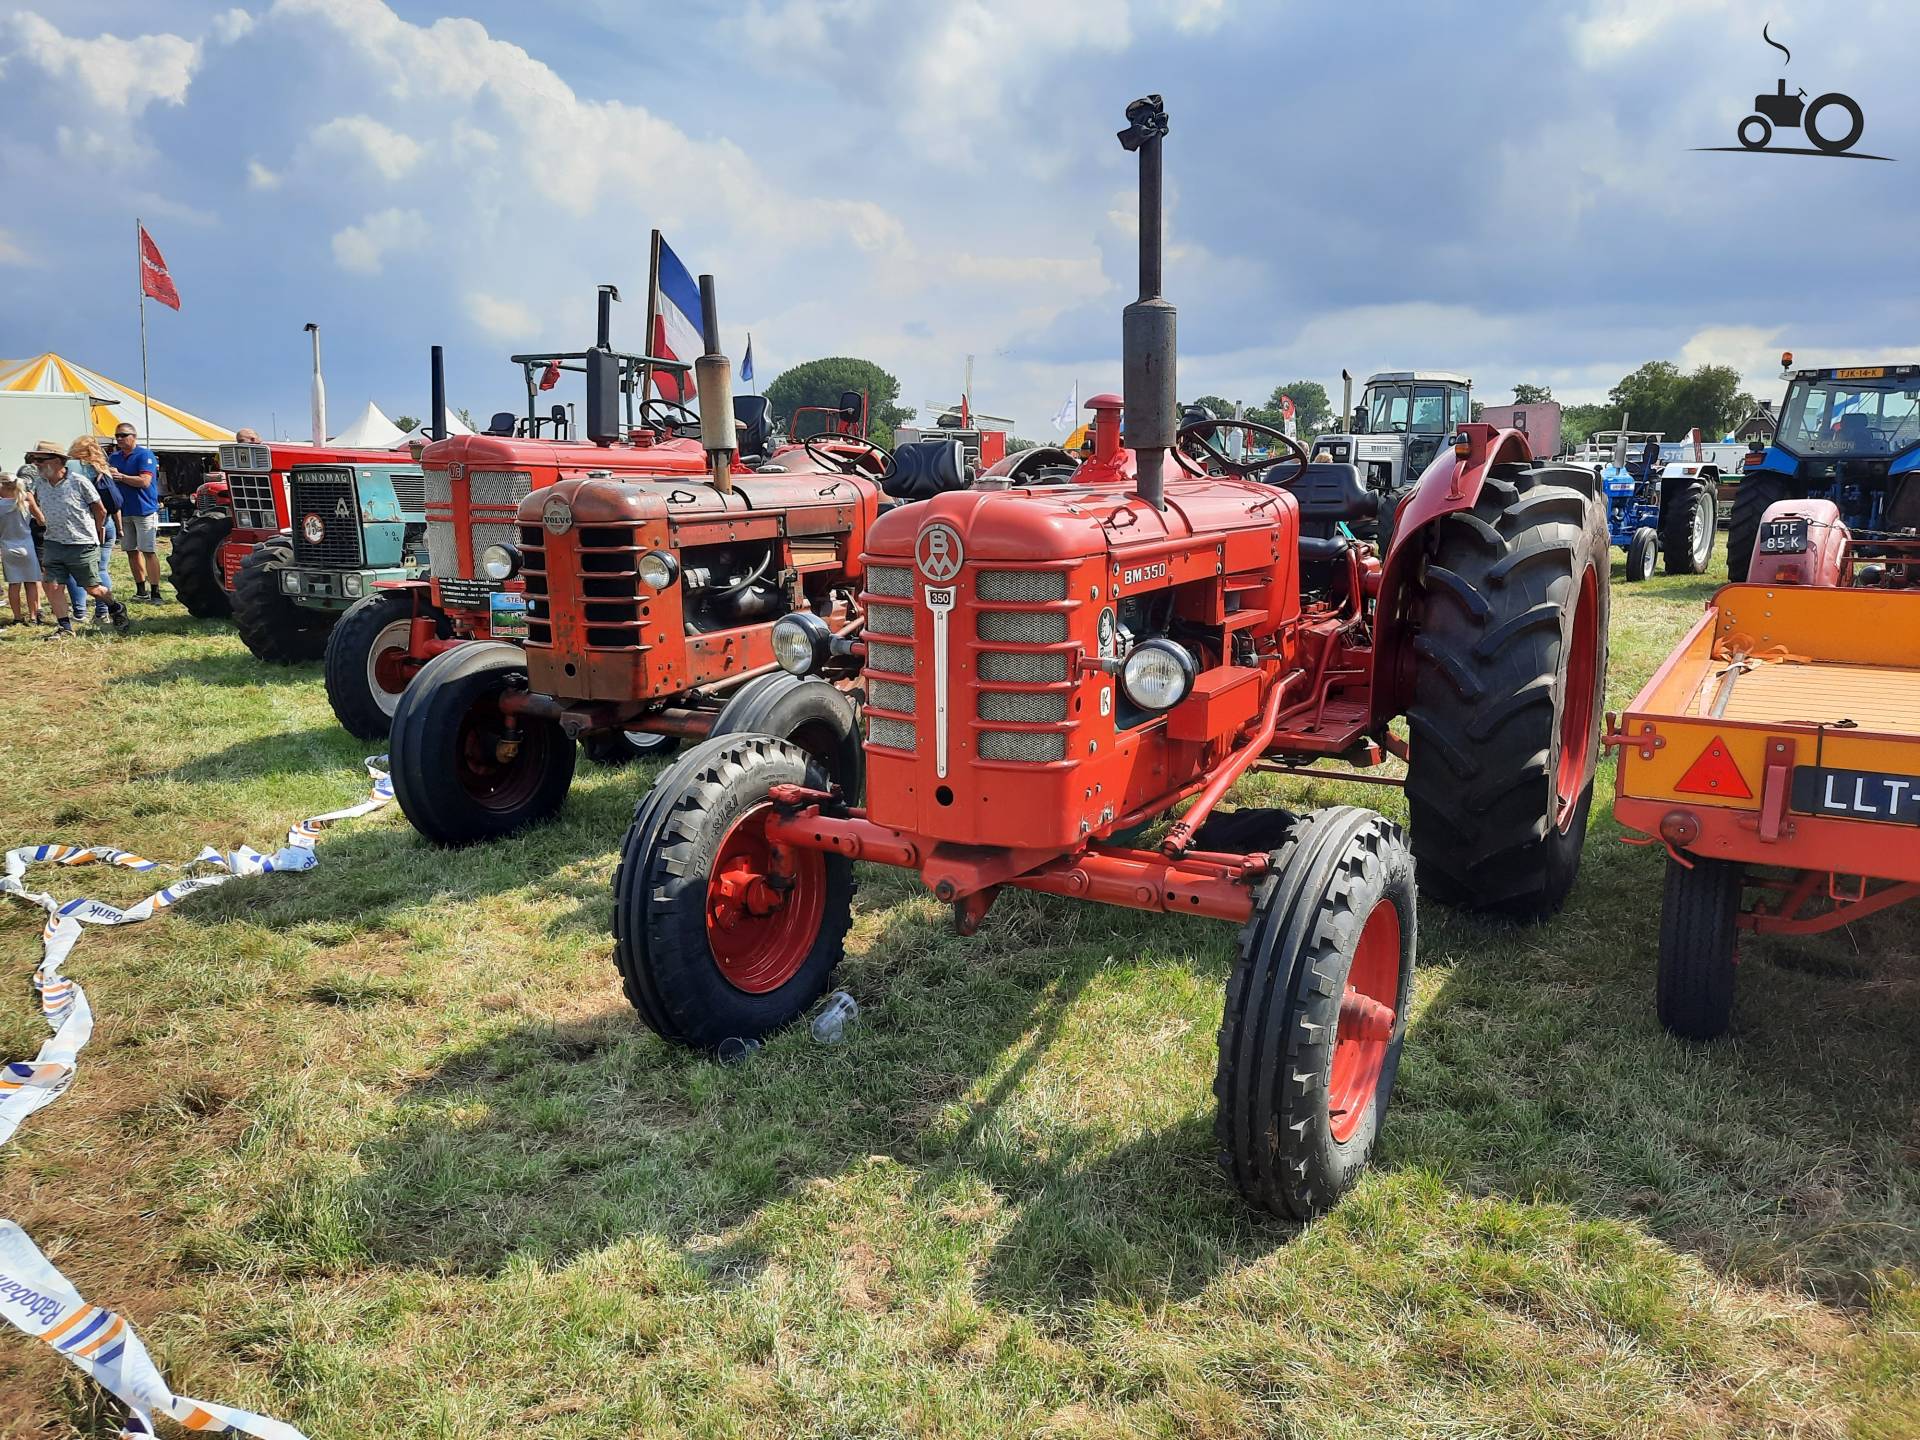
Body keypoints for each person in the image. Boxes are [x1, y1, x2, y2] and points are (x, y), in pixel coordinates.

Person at [23, 440, 128, 638]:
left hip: (81, 543)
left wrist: (97, 532)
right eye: (33, 459)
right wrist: (42, 520)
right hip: (54, 542)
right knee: (53, 585)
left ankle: (115, 608)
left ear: (56, 461)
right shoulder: (40, 483)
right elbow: (35, 503)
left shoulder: (78, 481)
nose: (35, 463)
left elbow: (100, 509)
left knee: (93, 589)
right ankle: (65, 627)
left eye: (39, 459)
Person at [106, 422, 166, 601]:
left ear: (134, 436)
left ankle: (155, 592)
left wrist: (121, 477)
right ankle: (141, 590)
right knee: (131, 550)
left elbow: (145, 481)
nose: (119, 439)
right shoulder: (114, 457)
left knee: (148, 550)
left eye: (123, 435)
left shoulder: (144, 454)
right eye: (117, 436)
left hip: (144, 509)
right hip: (124, 510)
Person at [71, 436, 119, 621]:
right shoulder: (104, 469)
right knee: (101, 569)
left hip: (83, 526)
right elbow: (115, 503)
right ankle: (102, 611)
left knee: (76, 571)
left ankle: (80, 612)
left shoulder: (72, 468)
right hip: (107, 524)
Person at [0, 470, 45, 625]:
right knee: (31, 582)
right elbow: (41, 520)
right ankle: (33, 616)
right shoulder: (25, 501)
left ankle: (17, 617)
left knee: (14, 584)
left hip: (7, 546)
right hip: (27, 545)